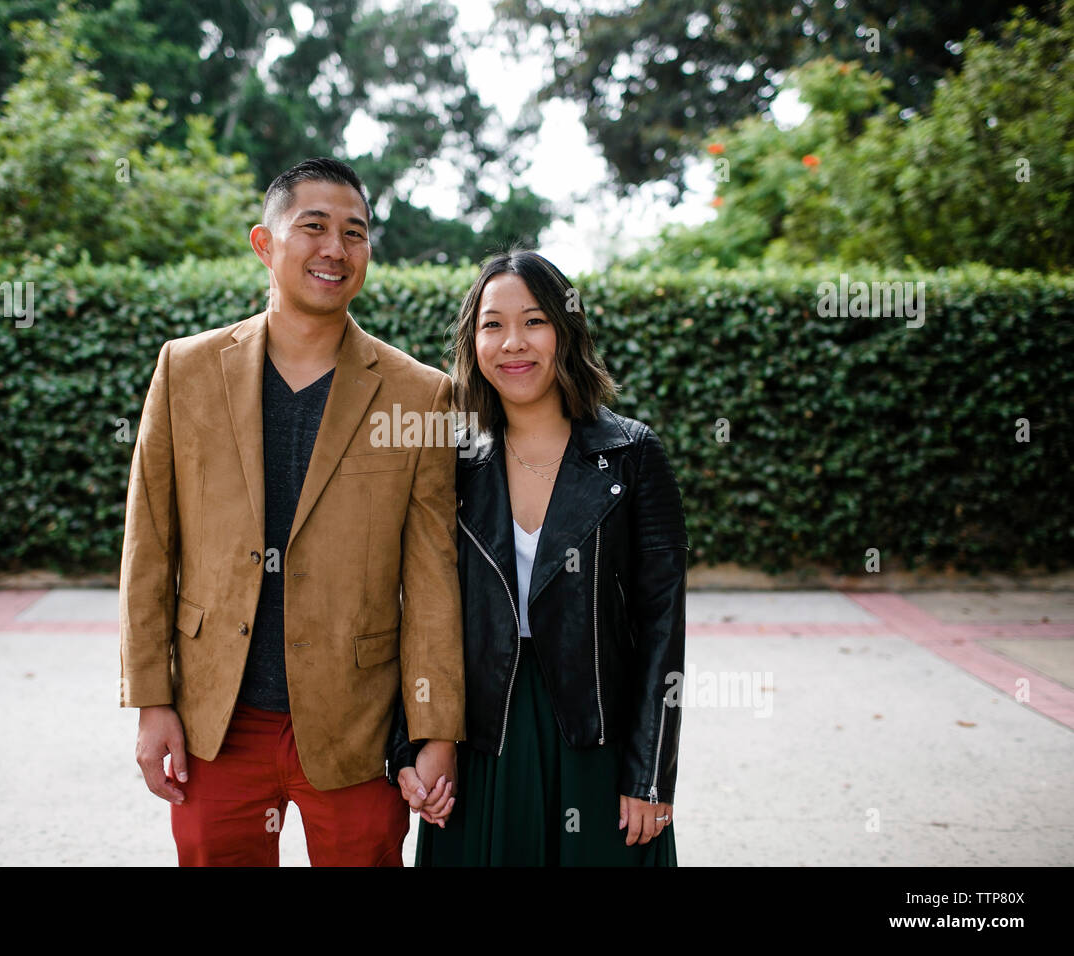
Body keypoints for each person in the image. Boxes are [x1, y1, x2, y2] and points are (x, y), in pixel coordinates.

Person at [118, 157, 464, 866]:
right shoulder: (185, 371)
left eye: (355, 233)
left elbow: (433, 574)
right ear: (264, 243)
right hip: (218, 719)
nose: (336, 249)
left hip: (356, 726)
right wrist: (152, 702)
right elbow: (149, 547)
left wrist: (436, 730)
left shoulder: (419, 395)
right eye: (314, 227)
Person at [391, 249, 690, 866]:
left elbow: (663, 626)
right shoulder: (450, 458)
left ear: (565, 329)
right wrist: (411, 743)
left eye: (534, 321)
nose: (512, 343)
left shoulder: (631, 455)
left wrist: (650, 775)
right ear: (473, 342)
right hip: (481, 734)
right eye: (492, 324)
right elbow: (415, 603)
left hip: (596, 731)